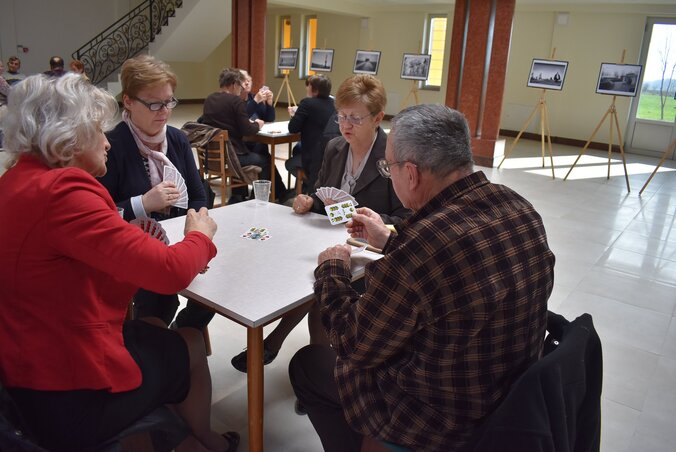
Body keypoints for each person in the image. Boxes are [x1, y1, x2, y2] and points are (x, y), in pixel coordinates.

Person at [288, 104, 556, 452]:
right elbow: (457, 262)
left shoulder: (424, 246)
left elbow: (353, 341)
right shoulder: (520, 207)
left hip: (439, 420)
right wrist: (389, 240)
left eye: (389, 168)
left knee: (308, 366)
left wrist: (333, 270)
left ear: (411, 174)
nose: (389, 174)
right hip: (511, 402)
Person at [0, 73, 239, 452]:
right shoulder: (63, 190)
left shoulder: (16, 180)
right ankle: (204, 441)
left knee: (152, 325)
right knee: (190, 340)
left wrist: (134, 246)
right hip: (67, 390)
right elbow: (170, 272)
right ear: (69, 137)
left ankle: (174, 439)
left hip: (24, 370)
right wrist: (200, 236)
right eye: (97, 130)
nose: (107, 142)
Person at [230, 75, 411, 374]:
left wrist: (372, 222)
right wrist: (309, 202)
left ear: (378, 117)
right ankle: (314, 368)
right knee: (306, 272)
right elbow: (323, 195)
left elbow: (406, 220)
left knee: (319, 288)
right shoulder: (336, 147)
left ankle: (295, 357)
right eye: (341, 115)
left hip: (371, 252)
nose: (345, 125)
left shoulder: (392, 156)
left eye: (355, 117)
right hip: (328, 239)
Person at [98, 55, 216, 331]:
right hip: (131, 247)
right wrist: (144, 202)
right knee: (160, 301)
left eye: (169, 101)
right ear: (128, 101)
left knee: (215, 291)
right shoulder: (111, 144)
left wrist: (194, 239)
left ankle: (183, 334)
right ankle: (158, 345)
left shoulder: (176, 138)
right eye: (154, 104)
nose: (163, 111)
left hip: (178, 238)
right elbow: (103, 214)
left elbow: (198, 197)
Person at [200, 67, 286, 202]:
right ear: (234, 84)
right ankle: (259, 196)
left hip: (212, 155)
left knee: (258, 151)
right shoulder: (235, 101)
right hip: (233, 157)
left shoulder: (210, 99)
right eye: (240, 85)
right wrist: (258, 125)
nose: (241, 89)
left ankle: (240, 194)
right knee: (265, 160)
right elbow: (247, 130)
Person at [285, 74, 336, 191]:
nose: (306, 88)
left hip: (314, 158)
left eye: (308, 86)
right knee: (296, 150)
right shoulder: (335, 103)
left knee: (290, 163)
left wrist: (294, 115)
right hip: (333, 155)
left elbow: (293, 128)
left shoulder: (307, 103)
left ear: (315, 90)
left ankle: (305, 188)